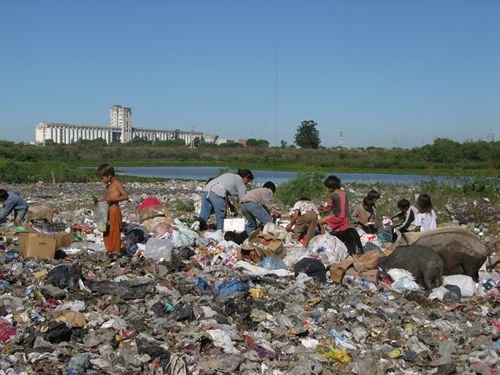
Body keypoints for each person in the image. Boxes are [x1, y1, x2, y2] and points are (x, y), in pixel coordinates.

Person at [96, 163, 129, 254]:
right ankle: (109, 249)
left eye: (102, 178)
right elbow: (106, 198)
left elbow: (125, 196)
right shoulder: (108, 186)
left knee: (114, 231)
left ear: (109, 176)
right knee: (106, 231)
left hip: (114, 210)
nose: (101, 180)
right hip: (106, 211)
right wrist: (100, 201)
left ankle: (116, 251)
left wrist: (112, 199)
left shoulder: (116, 183)